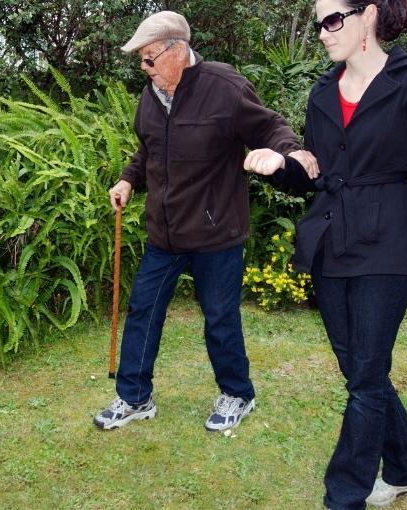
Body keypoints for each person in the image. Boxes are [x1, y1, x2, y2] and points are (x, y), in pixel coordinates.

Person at [244, 0, 407, 507]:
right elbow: (314, 177)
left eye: (332, 19)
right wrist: (282, 165)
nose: (322, 32)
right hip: (330, 245)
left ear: (370, 15)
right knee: (362, 370)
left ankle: (343, 496)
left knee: (364, 377)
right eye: (319, 22)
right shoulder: (322, 91)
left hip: (388, 246)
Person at [93, 11, 316, 432]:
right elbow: (149, 149)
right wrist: (127, 179)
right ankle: (135, 397)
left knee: (220, 317)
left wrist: (287, 155)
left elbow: (270, 126)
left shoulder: (225, 88)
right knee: (143, 311)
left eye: (150, 58)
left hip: (216, 232)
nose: (145, 68)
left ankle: (237, 393)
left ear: (179, 50)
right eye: (142, 60)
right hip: (165, 231)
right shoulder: (151, 94)